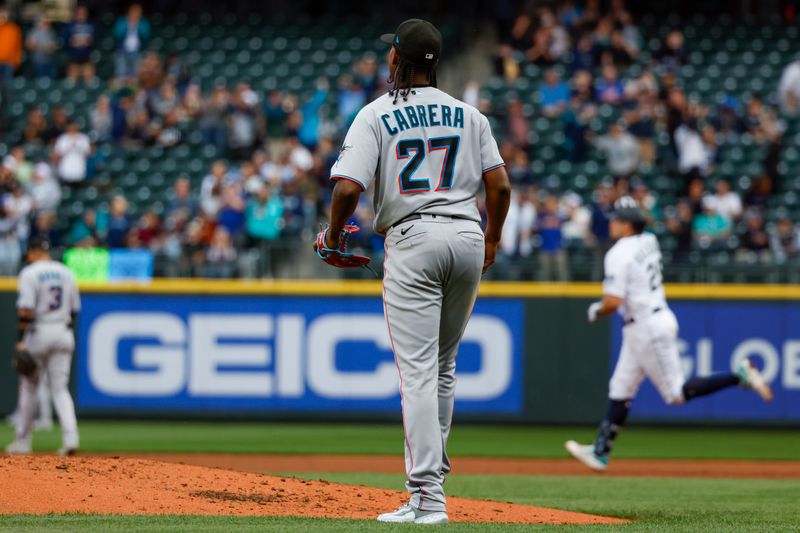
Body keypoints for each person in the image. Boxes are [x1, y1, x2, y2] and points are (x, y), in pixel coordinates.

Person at [321, 19, 510, 525]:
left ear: (395, 60)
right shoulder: (469, 114)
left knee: (419, 374)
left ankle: (426, 497)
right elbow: (501, 186)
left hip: (414, 238)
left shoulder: (376, 114)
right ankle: (434, 484)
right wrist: (491, 239)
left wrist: (334, 236)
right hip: (468, 236)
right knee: (443, 369)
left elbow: (345, 190)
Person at [564, 198, 773, 472]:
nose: (612, 222)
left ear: (628, 225)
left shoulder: (618, 253)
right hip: (646, 322)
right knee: (620, 387)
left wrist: (595, 310)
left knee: (675, 394)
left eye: (618, 219)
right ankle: (601, 451)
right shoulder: (648, 240)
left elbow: (612, 302)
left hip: (646, 326)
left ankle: (739, 374)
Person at [5, 237, 81, 456]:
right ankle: (70, 438)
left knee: (29, 388)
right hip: (64, 331)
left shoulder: (29, 273)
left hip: (39, 331)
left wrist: (20, 339)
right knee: (60, 388)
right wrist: (65, 330)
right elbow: (75, 310)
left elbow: (25, 311)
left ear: (32, 252)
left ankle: (22, 442)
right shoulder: (66, 272)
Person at [62, 5, 96, 82]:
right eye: (80, 13)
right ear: (75, 14)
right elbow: (67, 40)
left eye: (84, 13)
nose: (82, 15)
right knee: (71, 79)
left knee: (89, 76)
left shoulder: (91, 25)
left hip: (87, 57)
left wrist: (80, 41)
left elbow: (92, 40)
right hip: (73, 58)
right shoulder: (69, 26)